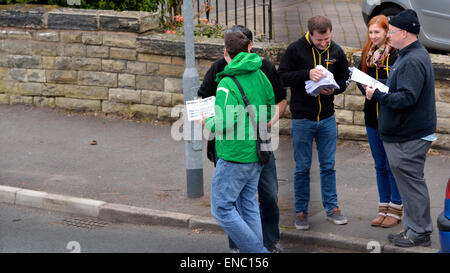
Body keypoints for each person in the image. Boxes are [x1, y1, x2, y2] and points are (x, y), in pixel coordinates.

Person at [198, 25, 287, 253]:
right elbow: (269, 109)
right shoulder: (260, 73)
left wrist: (206, 120)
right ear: (249, 48)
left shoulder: (226, 83)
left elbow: (221, 123)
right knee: (248, 206)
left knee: (222, 209)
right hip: (257, 153)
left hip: (234, 154)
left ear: (225, 52)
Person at [365, 9, 437, 247]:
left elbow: (406, 98)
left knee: (412, 184)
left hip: (409, 134)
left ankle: (419, 232)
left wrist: (377, 95)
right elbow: (400, 87)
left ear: (404, 33)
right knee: (410, 183)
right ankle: (413, 229)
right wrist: (381, 85)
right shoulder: (409, 55)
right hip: (406, 133)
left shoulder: (412, 60)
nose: (389, 36)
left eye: (392, 32)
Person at [278, 16, 349, 230]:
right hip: (302, 119)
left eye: (327, 38)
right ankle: (301, 212)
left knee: (328, 166)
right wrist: (307, 74)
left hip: (327, 118)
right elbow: (282, 77)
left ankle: (332, 208)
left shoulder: (336, 51)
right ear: (310, 33)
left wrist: (335, 87)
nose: (324, 43)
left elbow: (345, 78)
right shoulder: (296, 49)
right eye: (319, 40)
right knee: (302, 168)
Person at [356, 15, 403, 228]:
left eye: (377, 32)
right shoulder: (367, 54)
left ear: (386, 32)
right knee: (380, 165)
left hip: (391, 117)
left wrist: (376, 88)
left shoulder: (396, 56)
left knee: (393, 164)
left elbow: (398, 86)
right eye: (370, 32)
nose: (373, 36)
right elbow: (360, 79)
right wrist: (366, 88)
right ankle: (383, 206)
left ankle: (396, 207)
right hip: (371, 117)